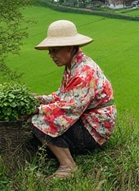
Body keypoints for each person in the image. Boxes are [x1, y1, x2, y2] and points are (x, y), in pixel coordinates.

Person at [30, 20, 116, 180]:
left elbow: (69, 108)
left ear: (69, 47)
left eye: (55, 50)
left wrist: (38, 110)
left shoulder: (84, 72)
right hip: (86, 119)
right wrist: (40, 100)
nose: (51, 55)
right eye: (50, 51)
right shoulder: (72, 66)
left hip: (95, 127)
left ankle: (68, 166)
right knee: (41, 120)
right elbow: (62, 95)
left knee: (40, 122)